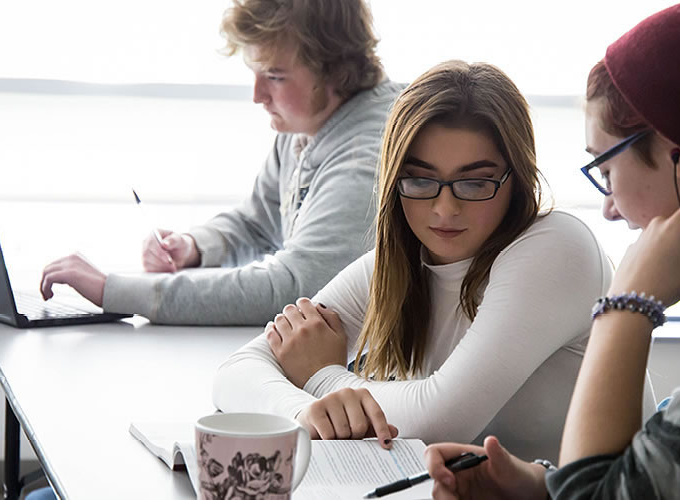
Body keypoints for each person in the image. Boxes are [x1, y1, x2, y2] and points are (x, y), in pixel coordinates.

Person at [424, 1, 680, 498]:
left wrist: (626, 305)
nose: (610, 210)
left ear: (674, 153)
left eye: (606, 171)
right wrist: (540, 487)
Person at [212, 60, 614, 461]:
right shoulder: (399, 265)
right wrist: (300, 411)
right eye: (420, 180)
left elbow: (440, 418)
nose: (444, 209)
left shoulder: (558, 247)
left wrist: (320, 378)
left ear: (516, 180)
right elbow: (239, 368)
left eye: (474, 182)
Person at [37, 0, 404, 325]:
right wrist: (195, 246)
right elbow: (258, 223)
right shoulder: (308, 123)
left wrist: (113, 291)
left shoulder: (367, 152)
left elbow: (295, 287)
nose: (257, 95)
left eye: (275, 77)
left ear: (335, 70)